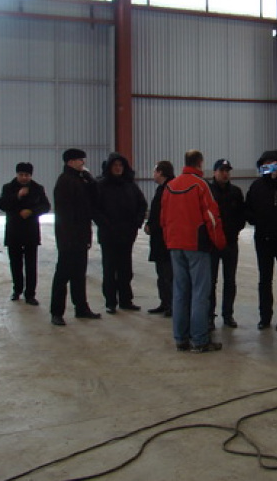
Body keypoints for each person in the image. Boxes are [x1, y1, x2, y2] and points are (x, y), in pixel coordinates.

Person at [160, 150, 226, 353]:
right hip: (196, 246)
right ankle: (199, 339)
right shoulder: (200, 185)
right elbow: (212, 217)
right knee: (200, 293)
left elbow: (163, 218)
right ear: (200, 163)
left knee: (180, 292)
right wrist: (220, 243)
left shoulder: (170, 186)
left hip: (175, 245)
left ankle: (181, 338)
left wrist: (169, 240)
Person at [49, 148, 101, 326]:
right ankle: (57, 312)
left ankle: (81, 307)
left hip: (80, 235)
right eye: (80, 160)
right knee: (63, 275)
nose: (83, 163)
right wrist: (68, 238)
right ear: (70, 162)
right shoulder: (64, 181)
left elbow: (92, 201)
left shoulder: (80, 179)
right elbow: (65, 214)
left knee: (79, 274)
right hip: (69, 237)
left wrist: (91, 181)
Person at [93, 152, 148, 314]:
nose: (118, 168)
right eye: (115, 165)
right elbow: (94, 209)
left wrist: (136, 223)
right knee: (109, 269)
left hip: (127, 234)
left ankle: (125, 300)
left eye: (120, 165)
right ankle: (110, 302)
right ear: (109, 167)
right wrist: (105, 225)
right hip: (108, 235)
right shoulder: (101, 185)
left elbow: (142, 205)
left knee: (125, 269)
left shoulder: (130, 185)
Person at [246, 150, 277, 331]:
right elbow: (248, 210)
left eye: (274, 163)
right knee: (265, 279)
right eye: (267, 163)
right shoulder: (256, 186)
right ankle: (264, 317)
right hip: (263, 238)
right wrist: (257, 220)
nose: (271, 167)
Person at [0, 162, 51, 305]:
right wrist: (17, 196)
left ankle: (30, 294)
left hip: (30, 231)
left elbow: (46, 206)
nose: (23, 177)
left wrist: (32, 211)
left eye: (26, 175)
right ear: (17, 174)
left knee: (31, 264)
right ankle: (17, 290)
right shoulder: (8, 188)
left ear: (30, 175)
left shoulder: (37, 188)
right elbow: (2, 205)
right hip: (14, 230)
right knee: (15, 263)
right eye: (21, 175)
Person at [208, 159, 246, 329]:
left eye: (227, 171)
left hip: (230, 243)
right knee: (211, 281)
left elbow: (241, 215)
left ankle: (228, 314)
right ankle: (209, 315)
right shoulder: (208, 191)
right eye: (222, 170)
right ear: (214, 172)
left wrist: (234, 230)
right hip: (212, 244)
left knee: (230, 280)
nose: (225, 174)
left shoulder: (235, 192)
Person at [144, 160, 175, 317]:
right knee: (161, 274)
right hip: (158, 239)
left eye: (155, 171)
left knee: (168, 274)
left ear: (161, 172)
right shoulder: (161, 188)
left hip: (166, 239)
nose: (153, 174)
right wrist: (149, 224)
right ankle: (164, 302)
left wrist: (154, 225)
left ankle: (171, 305)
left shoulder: (170, 189)